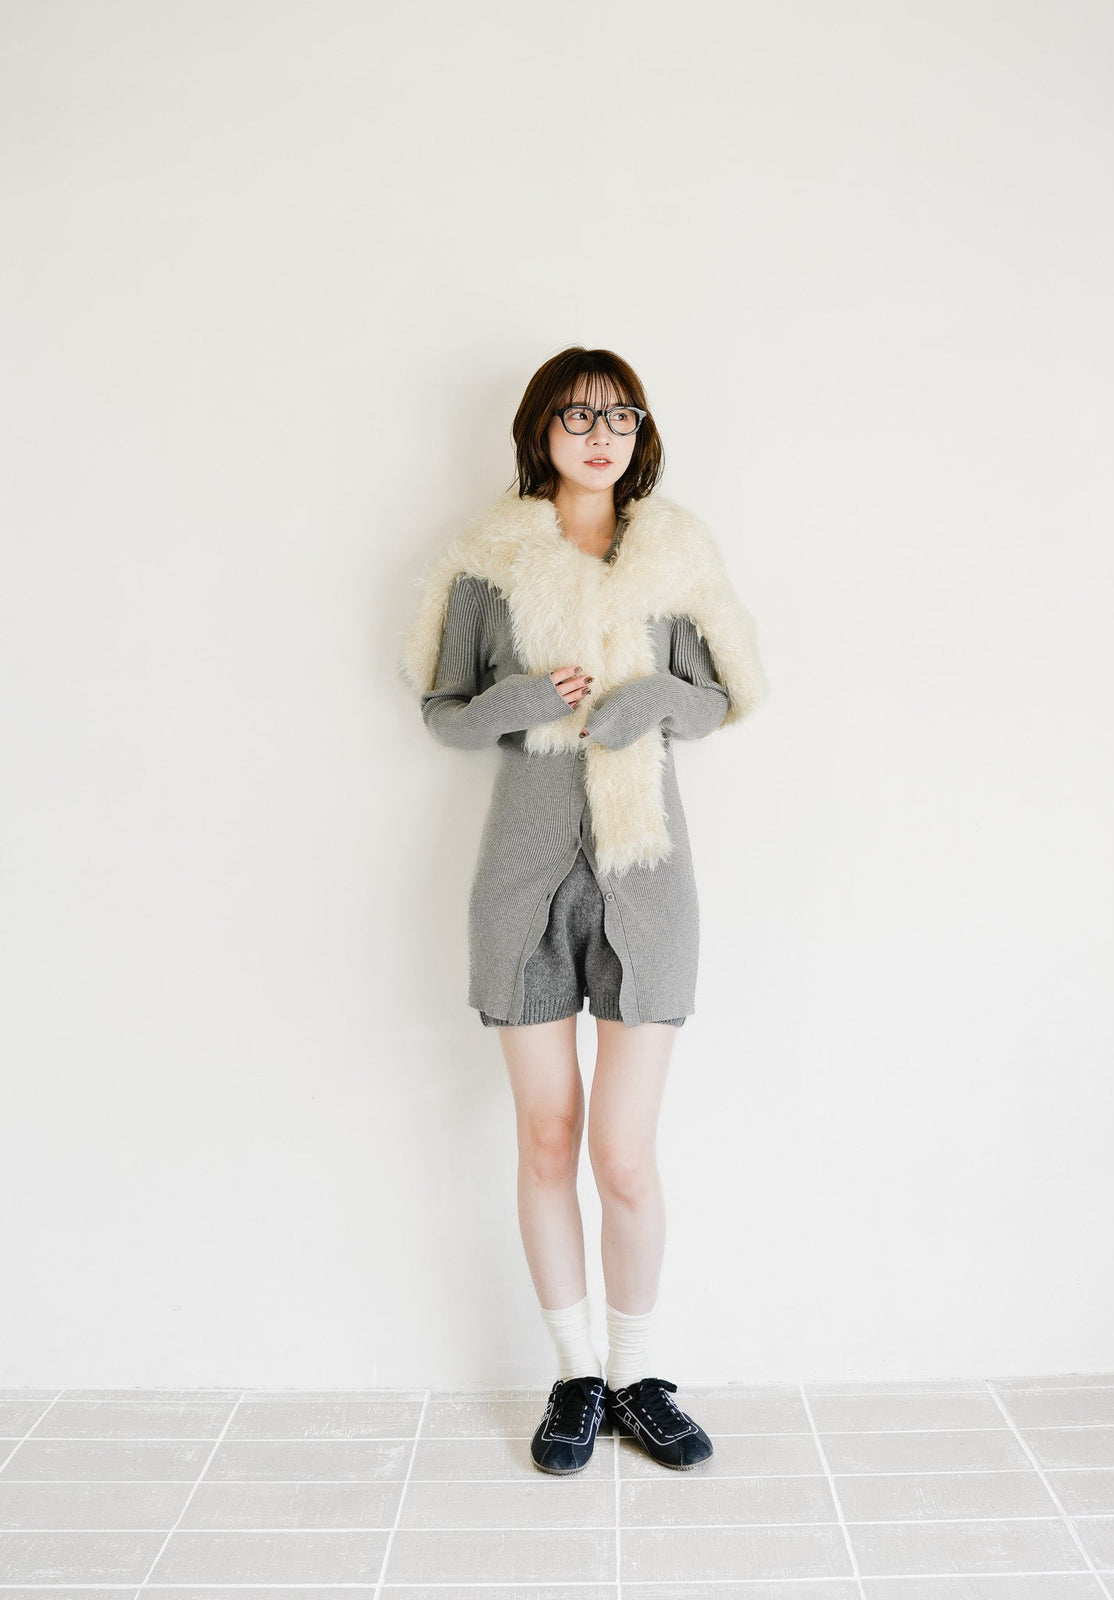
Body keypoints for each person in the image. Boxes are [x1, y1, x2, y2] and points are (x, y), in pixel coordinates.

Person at [400, 346, 765, 1475]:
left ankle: (640, 1377)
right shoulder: (490, 561)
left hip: (649, 882)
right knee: (548, 1135)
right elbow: (443, 709)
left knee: (624, 1155)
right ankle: (575, 1376)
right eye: (576, 416)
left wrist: (655, 699)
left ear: (639, 433)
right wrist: (515, 701)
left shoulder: (674, 555)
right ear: (540, 432)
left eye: (619, 417)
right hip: (522, 885)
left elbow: (722, 695)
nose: (599, 435)